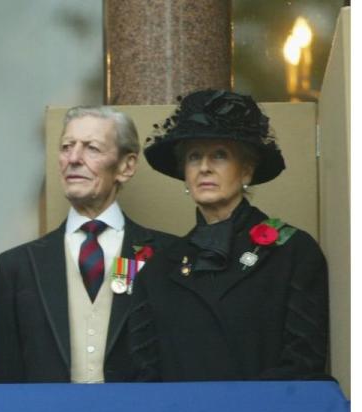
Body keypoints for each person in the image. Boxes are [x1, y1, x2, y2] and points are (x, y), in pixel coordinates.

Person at [132, 89, 329, 380]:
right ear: (184, 174)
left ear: (247, 170)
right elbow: (145, 375)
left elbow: (303, 363)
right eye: (194, 157)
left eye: (220, 155)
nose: (205, 168)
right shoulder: (159, 270)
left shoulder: (292, 252)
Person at [0, 106, 175, 383]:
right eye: (66, 147)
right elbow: (5, 374)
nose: (73, 159)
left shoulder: (166, 255)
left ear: (126, 166)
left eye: (92, 148)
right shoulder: (17, 267)